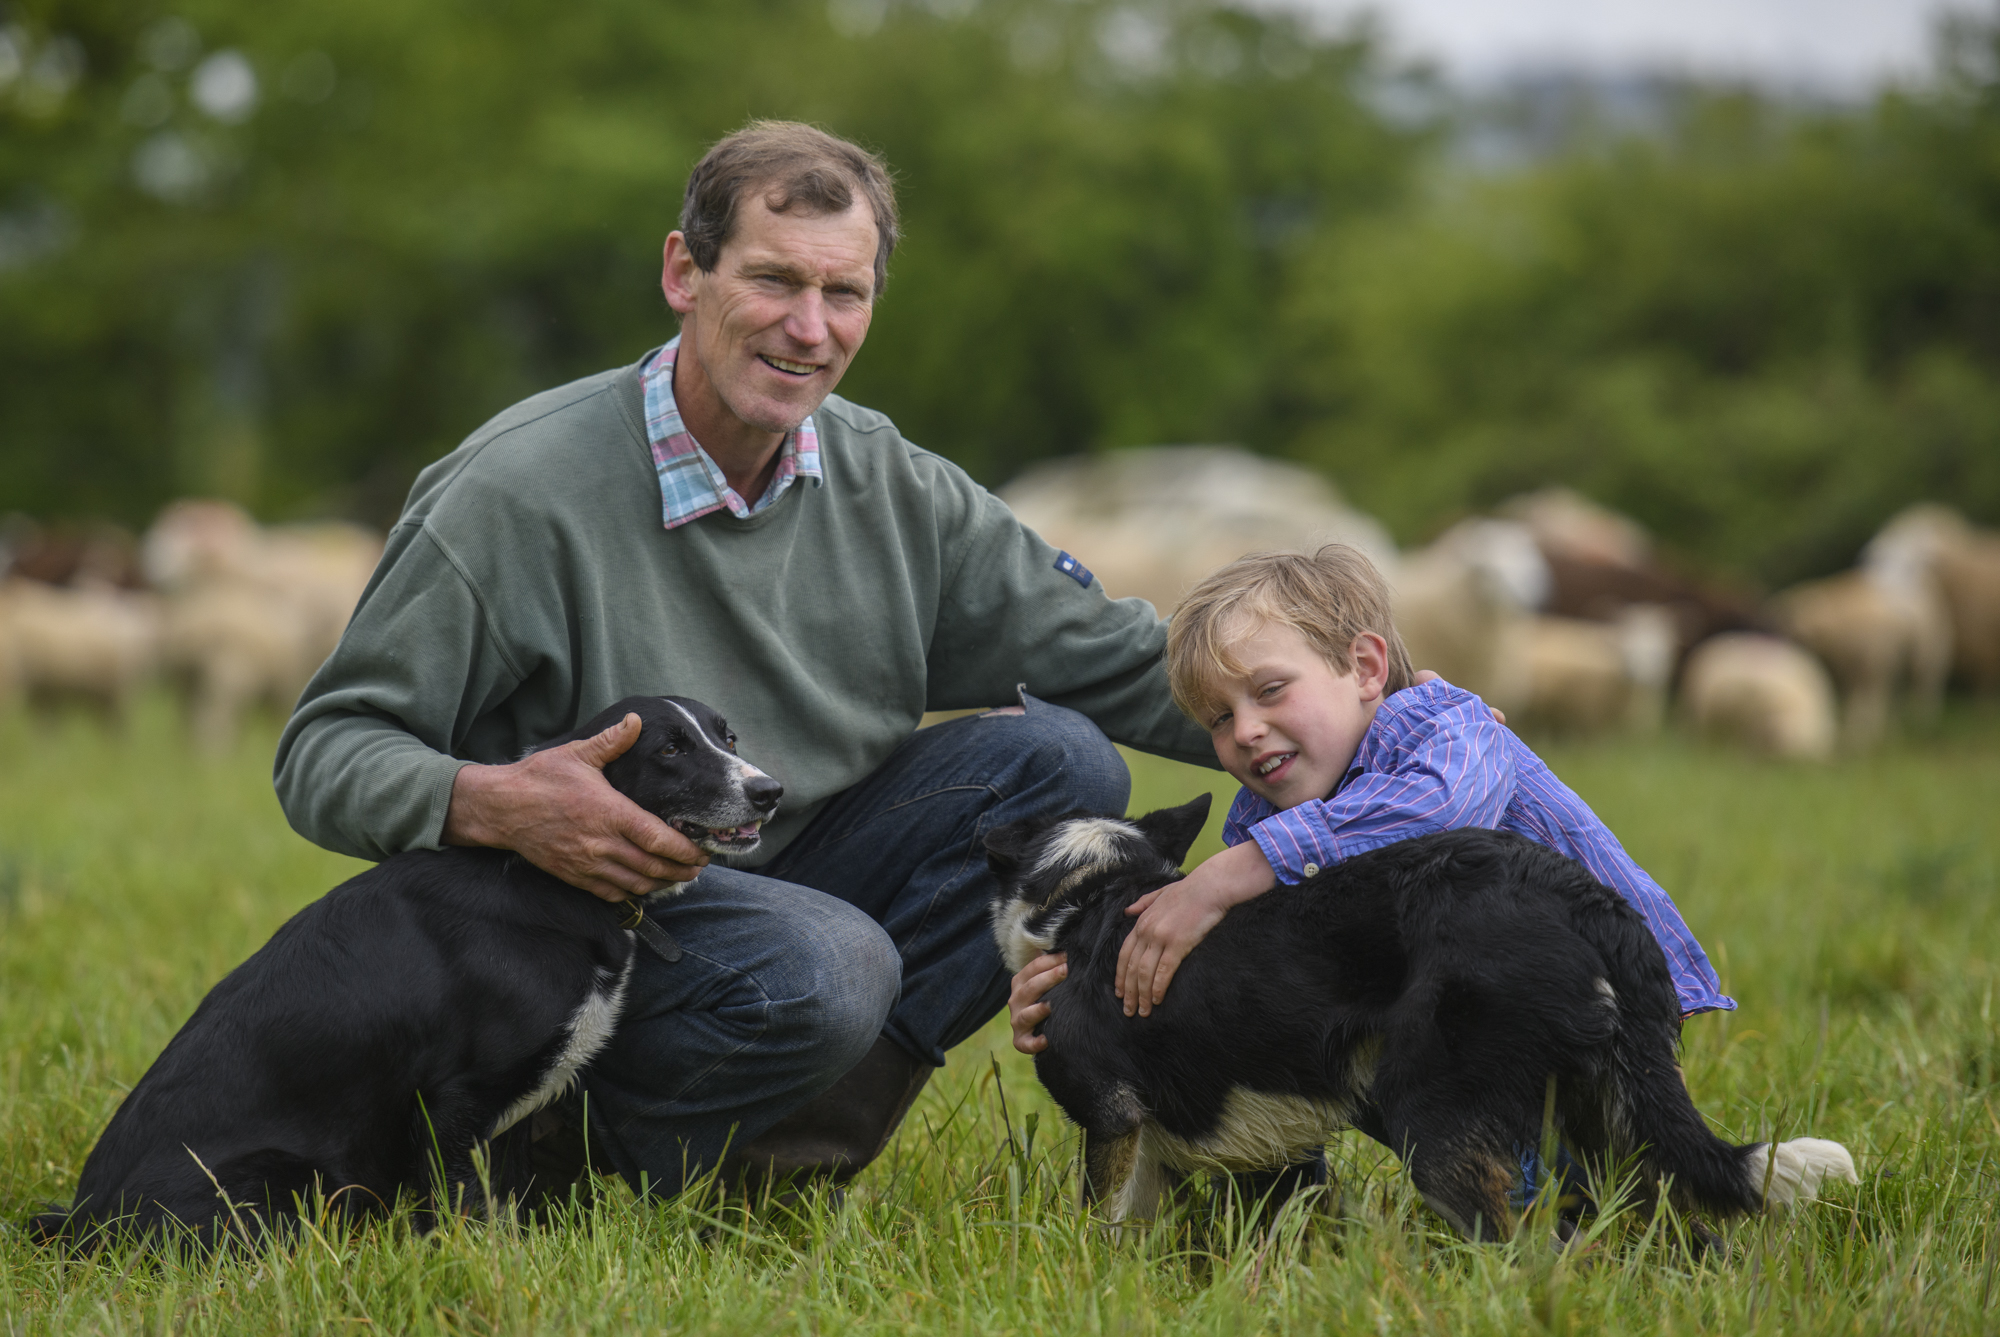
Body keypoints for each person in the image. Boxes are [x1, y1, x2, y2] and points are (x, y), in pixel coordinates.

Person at [273, 120, 1214, 1200]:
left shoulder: (895, 487)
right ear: (684, 270)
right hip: (571, 916)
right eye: (771, 279)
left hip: (793, 877)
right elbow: (324, 749)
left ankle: (768, 1162)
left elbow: (1125, 661)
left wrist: (1384, 722)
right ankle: (546, 1144)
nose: (808, 327)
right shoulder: (514, 493)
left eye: (843, 292)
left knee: (1063, 764)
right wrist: (494, 801)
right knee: (830, 963)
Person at [1006, 543, 1733, 1208]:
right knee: (1369, 1046)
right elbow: (1247, 976)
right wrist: (1084, 1003)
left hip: (1582, 981)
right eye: (1219, 719)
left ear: (1365, 669)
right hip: (1445, 1008)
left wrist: (1234, 873)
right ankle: (1342, 1201)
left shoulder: (1449, 727)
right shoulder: (1263, 815)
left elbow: (1440, 808)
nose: (1246, 730)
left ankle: (1570, 1211)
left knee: (1608, 1159)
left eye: (1269, 689)